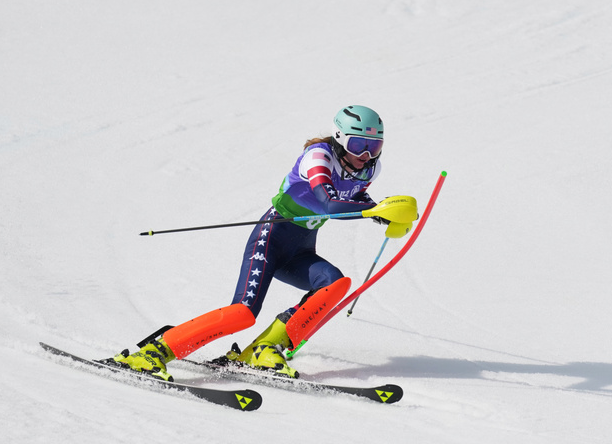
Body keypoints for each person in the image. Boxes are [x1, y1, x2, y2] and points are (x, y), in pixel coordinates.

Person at [109, 105, 415, 381]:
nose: (366, 154)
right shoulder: (318, 157)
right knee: (242, 313)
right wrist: (373, 211)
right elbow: (329, 205)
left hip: (300, 250)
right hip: (270, 241)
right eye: (358, 145)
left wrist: (385, 215)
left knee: (335, 283)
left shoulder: (368, 168)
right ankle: (153, 352)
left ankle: (265, 349)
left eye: (374, 146)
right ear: (339, 138)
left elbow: (357, 197)